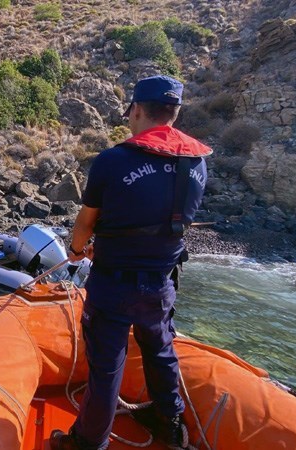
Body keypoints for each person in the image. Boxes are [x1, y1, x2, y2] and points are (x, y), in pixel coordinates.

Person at [50, 75, 212, 450]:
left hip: (113, 283)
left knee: (106, 368)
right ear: (174, 112)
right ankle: (169, 425)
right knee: (160, 351)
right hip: (161, 283)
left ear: (137, 110)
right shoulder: (198, 163)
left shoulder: (112, 160)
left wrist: (77, 249)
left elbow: (86, 222)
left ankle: (88, 442)